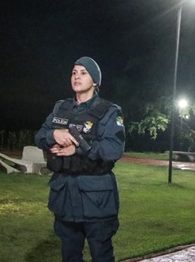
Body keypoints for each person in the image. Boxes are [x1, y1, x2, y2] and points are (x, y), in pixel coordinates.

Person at [35, 56, 125, 262]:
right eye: (74, 72)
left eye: (83, 73)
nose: (77, 77)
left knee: (101, 255)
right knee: (69, 256)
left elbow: (114, 149)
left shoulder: (110, 111)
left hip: (96, 199)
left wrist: (78, 148)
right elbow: (40, 136)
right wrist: (53, 136)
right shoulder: (60, 108)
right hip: (65, 196)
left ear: (95, 81)